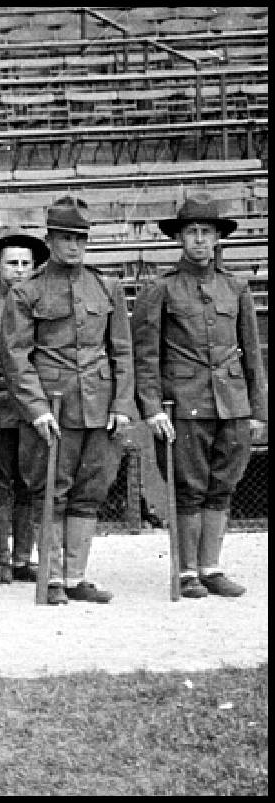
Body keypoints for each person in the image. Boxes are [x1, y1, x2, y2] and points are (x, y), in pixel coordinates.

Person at [1, 197, 134, 605]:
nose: (73, 246)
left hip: (99, 406)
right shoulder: (28, 291)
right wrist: (36, 409)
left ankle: (76, 576)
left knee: (90, 491)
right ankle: (53, 576)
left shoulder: (106, 286)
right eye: (64, 238)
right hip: (52, 411)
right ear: (50, 240)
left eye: (80, 238)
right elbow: (15, 357)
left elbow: (122, 351)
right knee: (50, 492)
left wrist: (121, 406)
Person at [132, 193, 266, 598]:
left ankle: (211, 567)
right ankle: (187, 571)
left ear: (218, 238)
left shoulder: (235, 288)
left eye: (207, 232)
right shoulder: (161, 290)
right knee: (188, 486)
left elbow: (252, 354)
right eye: (191, 232)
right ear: (179, 238)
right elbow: (146, 356)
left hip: (232, 403)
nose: (200, 240)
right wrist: (152, 408)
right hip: (183, 404)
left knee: (223, 484)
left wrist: (257, 410)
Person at [0, 225, 47, 582]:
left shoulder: (42, 303)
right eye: (11, 263)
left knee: (30, 483)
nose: (19, 269)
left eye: (26, 263)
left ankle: (23, 558)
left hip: (34, 411)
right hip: (0, 407)